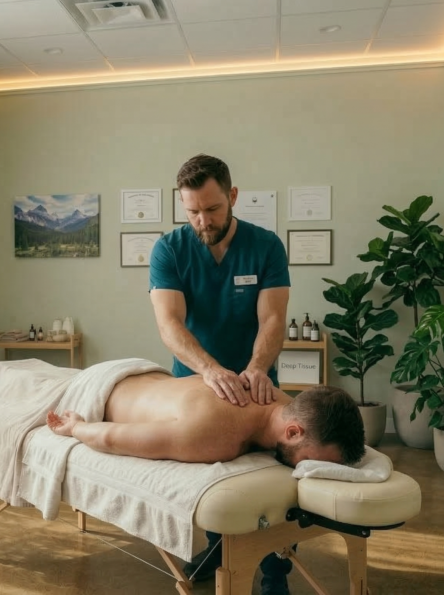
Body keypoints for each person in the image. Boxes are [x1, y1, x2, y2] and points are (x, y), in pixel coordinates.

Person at [148, 154, 293, 593]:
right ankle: (216, 550)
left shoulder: (265, 245)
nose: (202, 220)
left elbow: (272, 319)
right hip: (195, 382)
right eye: (192, 211)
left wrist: (255, 369)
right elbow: (169, 323)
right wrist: (211, 370)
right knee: (208, 476)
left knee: (270, 478)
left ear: (232, 196)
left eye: (211, 209)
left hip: (259, 380)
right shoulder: (169, 249)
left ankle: (274, 571)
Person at [46, 373, 366, 469]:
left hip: (153, 379)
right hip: (105, 386)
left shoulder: (283, 402)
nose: (312, 469)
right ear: (294, 432)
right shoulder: (214, 436)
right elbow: (113, 438)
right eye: (313, 462)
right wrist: (75, 427)